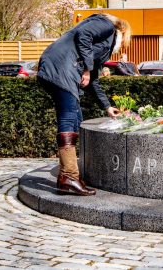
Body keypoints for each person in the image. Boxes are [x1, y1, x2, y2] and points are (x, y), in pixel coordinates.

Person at [38, 13, 129, 196]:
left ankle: (66, 177)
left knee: (75, 117)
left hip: (56, 68)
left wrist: (107, 107)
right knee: (68, 118)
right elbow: (84, 36)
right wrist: (86, 68)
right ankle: (69, 176)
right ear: (122, 31)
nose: (120, 48)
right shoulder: (107, 25)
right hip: (62, 69)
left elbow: (93, 79)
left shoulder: (99, 39)